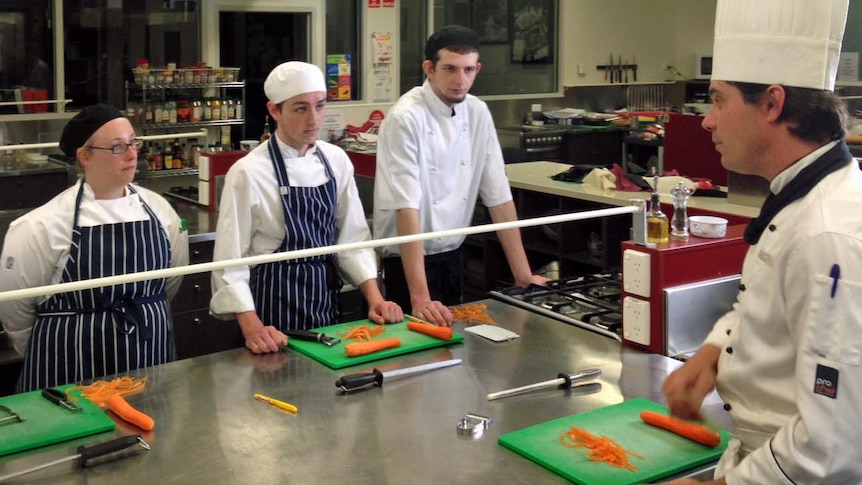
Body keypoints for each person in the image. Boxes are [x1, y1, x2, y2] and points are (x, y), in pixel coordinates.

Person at [659, 1, 862, 483]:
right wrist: (711, 353)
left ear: (772, 104)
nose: (707, 121)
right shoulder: (798, 194)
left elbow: (832, 445)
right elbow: (765, 303)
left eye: (718, 99)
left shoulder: (831, 235)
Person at [210, 61, 402, 354]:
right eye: (301, 108)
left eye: (320, 106)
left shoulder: (336, 160)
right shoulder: (249, 172)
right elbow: (229, 261)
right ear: (274, 110)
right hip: (270, 314)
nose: (314, 119)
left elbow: (353, 239)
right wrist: (253, 328)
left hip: (325, 302)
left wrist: (376, 299)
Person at [0, 103, 189, 392]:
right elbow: (16, 311)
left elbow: (171, 282)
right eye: (116, 147)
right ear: (84, 156)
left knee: (153, 429)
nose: (131, 154)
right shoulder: (42, 226)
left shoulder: (161, 211)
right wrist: (49, 347)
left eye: (133, 143)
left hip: (149, 356)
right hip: (67, 367)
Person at [373, 25, 547, 328]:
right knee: (411, 361)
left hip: (453, 254)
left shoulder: (478, 113)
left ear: (477, 68)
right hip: (406, 262)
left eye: (468, 70)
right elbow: (407, 208)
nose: (460, 80)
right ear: (429, 68)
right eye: (450, 69)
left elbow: (499, 197)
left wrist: (524, 275)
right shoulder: (405, 118)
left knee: (452, 349)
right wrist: (420, 298)